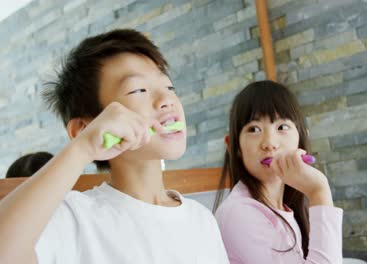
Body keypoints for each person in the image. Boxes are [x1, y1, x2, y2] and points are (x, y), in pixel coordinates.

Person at [0, 29, 228, 264]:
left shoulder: (202, 219)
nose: (167, 100)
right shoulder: (75, 218)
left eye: (169, 87)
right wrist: (81, 149)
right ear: (83, 128)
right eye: (139, 90)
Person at [214, 80, 343, 263]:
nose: (270, 143)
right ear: (234, 146)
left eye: (282, 127)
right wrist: (319, 191)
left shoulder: (282, 208)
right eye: (254, 129)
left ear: (302, 137)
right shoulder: (238, 213)